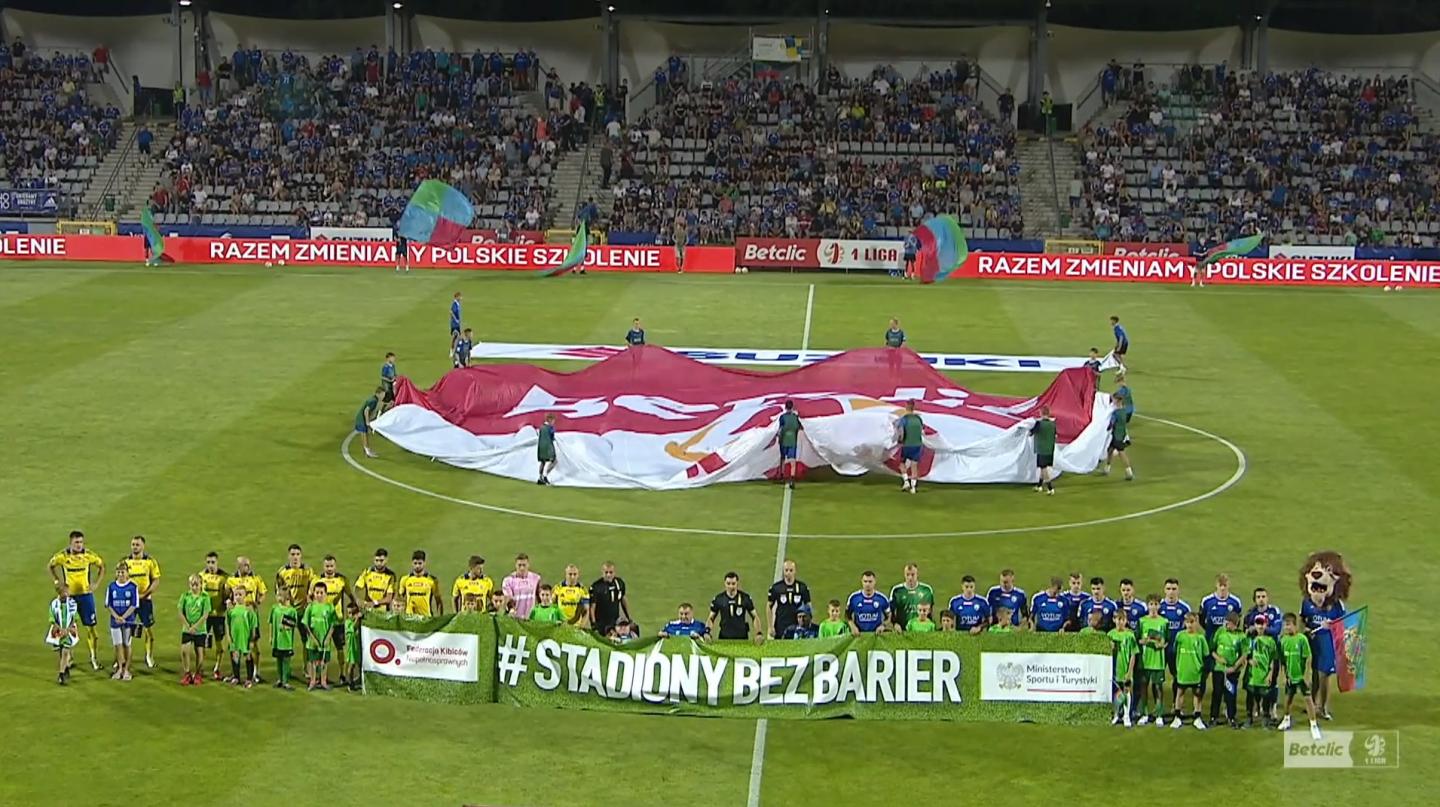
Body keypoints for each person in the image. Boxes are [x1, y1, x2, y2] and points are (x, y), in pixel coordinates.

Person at [49, 530, 105, 671]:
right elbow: (50, 566)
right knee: (68, 627)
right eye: (76, 542)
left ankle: (93, 658)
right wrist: (57, 581)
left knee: (91, 628)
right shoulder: (62, 556)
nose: (79, 545)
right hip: (70, 598)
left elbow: (101, 566)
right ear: (71, 543)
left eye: (81, 542)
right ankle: (69, 658)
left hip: (86, 596)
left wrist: (96, 583)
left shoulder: (89, 555)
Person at [1301, 584, 1345, 722]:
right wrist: (1306, 630)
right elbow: (1302, 620)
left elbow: (1344, 623)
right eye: (1316, 592)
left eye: (1322, 591)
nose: (1320, 595)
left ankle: (1324, 708)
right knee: (1314, 673)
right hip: (1314, 643)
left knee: (1324, 675)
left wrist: (1333, 625)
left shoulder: (1336, 604)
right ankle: (1312, 704)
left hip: (1328, 644)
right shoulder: (1307, 603)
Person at [119, 535, 162, 670]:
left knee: (148, 630)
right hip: (128, 602)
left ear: (143, 546)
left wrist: (145, 594)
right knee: (125, 630)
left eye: (137, 544)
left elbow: (156, 580)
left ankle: (149, 656)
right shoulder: (125, 562)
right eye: (133, 544)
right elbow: (119, 580)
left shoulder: (150, 562)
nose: (135, 547)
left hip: (145, 601)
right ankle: (122, 658)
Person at [1278, 613, 1323, 739]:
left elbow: (1308, 658)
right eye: (1284, 625)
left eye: (1288, 625)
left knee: (1308, 700)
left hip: (1301, 677)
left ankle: (1314, 726)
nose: (1286, 628)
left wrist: (1306, 675)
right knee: (1288, 699)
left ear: (1295, 625)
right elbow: (1282, 660)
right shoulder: (1283, 640)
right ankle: (1286, 719)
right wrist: (1284, 675)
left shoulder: (1302, 639)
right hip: (1290, 676)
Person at [1198, 573, 1242, 698]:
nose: (1222, 588)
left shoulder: (1235, 602)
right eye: (1220, 585)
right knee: (1205, 672)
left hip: (1228, 646)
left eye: (1225, 585)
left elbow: (1237, 621)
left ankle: (1226, 705)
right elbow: (1202, 619)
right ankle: (1199, 704)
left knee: (1226, 675)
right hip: (1210, 644)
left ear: (1229, 585)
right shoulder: (1207, 601)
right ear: (1216, 585)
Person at [226, 557, 268, 683]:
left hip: (250, 615)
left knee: (253, 644)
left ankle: (255, 672)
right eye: (245, 565)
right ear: (238, 566)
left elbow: (263, 593)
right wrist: (230, 603)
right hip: (236, 615)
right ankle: (236, 674)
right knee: (234, 645)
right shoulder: (231, 580)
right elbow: (226, 593)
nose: (248, 567)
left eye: (248, 565)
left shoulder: (256, 579)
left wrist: (257, 603)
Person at [315, 555, 355, 683]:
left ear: (335, 566)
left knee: (339, 648)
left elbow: (350, 595)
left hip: (338, 620)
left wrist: (356, 608)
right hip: (323, 622)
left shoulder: (342, 580)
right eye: (327, 566)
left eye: (331, 566)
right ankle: (321, 676)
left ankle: (342, 674)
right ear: (323, 566)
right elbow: (311, 598)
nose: (329, 568)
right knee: (322, 649)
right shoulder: (318, 580)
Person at [1157, 578, 1190, 711]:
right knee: (1158, 678)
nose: (1171, 592)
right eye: (1169, 589)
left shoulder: (1184, 608)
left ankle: (1175, 705)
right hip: (1160, 650)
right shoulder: (1159, 607)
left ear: (1178, 590)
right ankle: (1159, 706)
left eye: (1174, 589)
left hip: (1176, 650)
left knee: (1177, 677)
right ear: (1164, 590)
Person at [1172, 613, 1210, 729]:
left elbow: (1205, 654)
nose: (1190, 625)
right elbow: (1175, 651)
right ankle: (1177, 717)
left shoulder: (1200, 638)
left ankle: (1197, 717)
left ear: (1197, 623)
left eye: (1192, 622)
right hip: (1183, 670)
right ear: (1184, 623)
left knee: (1197, 695)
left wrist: (1202, 669)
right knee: (1180, 693)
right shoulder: (1180, 636)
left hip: (1196, 671)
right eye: (1188, 622)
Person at [103, 563, 141, 681]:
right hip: (115, 621)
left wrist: (123, 617)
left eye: (123, 572)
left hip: (128, 621)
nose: (120, 574)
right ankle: (119, 668)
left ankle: (127, 670)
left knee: (127, 644)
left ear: (127, 572)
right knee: (118, 646)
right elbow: (108, 604)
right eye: (118, 572)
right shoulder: (112, 587)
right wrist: (117, 617)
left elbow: (134, 605)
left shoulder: (133, 587)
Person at [1209, 611, 1247, 728]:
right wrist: (1218, 659)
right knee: (1217, 693)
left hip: (1232, 671)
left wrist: (1234, 667)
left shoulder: (1241, 636)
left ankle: (1231, 717)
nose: (1227, 625)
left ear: (1235, 624)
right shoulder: (1220, 632)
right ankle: (1213, 717)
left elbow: (1244, 654)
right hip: (1219, 669)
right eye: (1226, 622)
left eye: (1229, 623)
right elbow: (1212, 649)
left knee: (1231, 694)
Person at [1136, 594, 1169, 725]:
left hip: (1158, 661)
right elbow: (1137, 639)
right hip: (1144, 661)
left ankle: (1159, 714)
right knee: (1143, 687)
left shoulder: (1164, 622)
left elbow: (1167, 640)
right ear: (1147, 606)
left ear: (1159, 606)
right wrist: (1144, 641)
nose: (1153, 607)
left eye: (1156, 604)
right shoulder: (1142, 621)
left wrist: (1162, 645)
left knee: (1158, 688)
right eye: (1151, 604)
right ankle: (1144, 714)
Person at [1245, 614, 1280, 728]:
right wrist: (1249, 660)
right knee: (1250, 695)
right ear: (1254, 625)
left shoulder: (1270, 641)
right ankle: (1249, 718)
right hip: (1252, 674)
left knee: (1265, 697)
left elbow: (1274, 659)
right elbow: (1245, 654)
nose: (1260, 626)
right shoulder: (1250, 639)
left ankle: (1265, 718)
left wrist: (1270, 674)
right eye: (1258, 623)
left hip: (1264, 673)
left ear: (1266, 625)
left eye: (1262, 623)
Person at [302, 583, 339, 690]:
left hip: (325, 641)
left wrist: (328, 637)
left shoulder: (329, 607)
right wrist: (313, 638)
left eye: (321, 593)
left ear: (326, 594)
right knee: (313, 662)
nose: (319, 595)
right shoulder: (310, 607)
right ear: (313, 593)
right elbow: (306, 624)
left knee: (324, 662)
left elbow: (333, 624)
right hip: (313, 642)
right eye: (317, 592)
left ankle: (323, 681)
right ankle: (313, 681)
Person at [198, 552, 229, 679]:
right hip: (205, 615)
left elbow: (228, 595)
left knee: (219, 644)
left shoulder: (225, 577)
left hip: (219, 615)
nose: (210, 565)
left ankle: (217, 668)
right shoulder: (201, 576)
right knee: (202, 643)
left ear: (217, 562)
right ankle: (200, 667)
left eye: (213, 562)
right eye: (208, 562)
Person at [707, 572, 760, 642]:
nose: (731, 586)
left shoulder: (745, 598)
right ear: (724, 583)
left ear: (737, 583)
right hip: (724, 637)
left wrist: (758, 633)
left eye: (733, 583)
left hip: (742, 637)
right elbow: (711, 618)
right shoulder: (718, 599)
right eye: (728, 583)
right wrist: (707, 631)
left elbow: (755, 616)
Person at [1108, 608, 1139, 726]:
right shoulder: (1110, 634)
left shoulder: (1130, 635)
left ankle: (1126, 715)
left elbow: (1133, 654)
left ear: (1126, 620)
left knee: (1126, 691)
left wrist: (1130, 671)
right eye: (1117, 619)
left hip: (1125, 669)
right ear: (1114, 620)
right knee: (1116, 693)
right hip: (1114, 670)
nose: (1120, 622)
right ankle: (1116, 714)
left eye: (1122, 619)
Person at [178, 574, 210, 686]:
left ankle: (198, 674)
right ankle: (187, 673)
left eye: (196, 584)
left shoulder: (205, 597)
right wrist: (188, 626)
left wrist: (195, 627)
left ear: (201, 584)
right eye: (192, 584)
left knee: (199, 653)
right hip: (187, 629)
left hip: (200, 630)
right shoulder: (185, 596)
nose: (194, 586)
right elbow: (180, 612)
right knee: (184, 651)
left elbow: (205, 614)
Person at [767, 558, 810, 639]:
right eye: (786, 570)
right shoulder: (776, 588)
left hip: (798, 625)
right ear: (783, 571)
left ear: (795, 571)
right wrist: (770, 626)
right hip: (780, 625)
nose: (788, 573)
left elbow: (808, 606)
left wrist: (807, 624)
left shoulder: (802, 587)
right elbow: (768, 606)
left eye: (791, 570)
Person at [225, 585, 259, 687]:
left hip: (245, 637)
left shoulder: (249, 610)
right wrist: (228, 637)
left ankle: (249, 678)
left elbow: (253, 625)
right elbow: (227, 624)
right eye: (236, 595)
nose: (238, 597)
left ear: (245, 596)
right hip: (234, 638)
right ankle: (236, 677)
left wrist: (252, 639)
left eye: (240, 594)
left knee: (247, 656)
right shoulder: (231, 610)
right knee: (235, 656)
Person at [48, 581, 80, 685]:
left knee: (66, 651)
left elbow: (75, 618)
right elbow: (51, 618)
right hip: (58, 631)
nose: (66, 594)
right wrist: (60, 629)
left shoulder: (72, 603)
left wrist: (68, 629)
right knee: (61, 652)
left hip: (69, 631)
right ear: (59, 593)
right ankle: (65, 669)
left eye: (67, 591)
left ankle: (61, 675)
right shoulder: (54, 604)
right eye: (64, 592)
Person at [588, 562, 631, 637]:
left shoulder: (619, 583)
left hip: (615, 621)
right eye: (606, 572)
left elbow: (623, 599)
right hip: (601, 623)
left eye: (611, 572)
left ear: (614, 572)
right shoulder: (596, 586)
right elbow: (592, 607)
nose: (608, 575)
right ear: (602, 572)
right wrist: (594, 624)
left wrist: (629, 617)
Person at [268, 588, 299, 691]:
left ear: (286, 597)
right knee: (278, 660)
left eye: (279, 595)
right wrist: (271, 636)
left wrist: (287, 627)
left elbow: (293, 624)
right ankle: (280, 679)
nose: (277, 598)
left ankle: (285, 681)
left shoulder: (292, 611)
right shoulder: (274, 608)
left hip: (286, 641)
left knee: (286, 661)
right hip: (277, 640)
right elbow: (271, 623)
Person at [889, 563, 935, 629]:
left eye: (913, 575)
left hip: (922, 630)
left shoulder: (926, 590)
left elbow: (930, 611)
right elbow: (892, 611)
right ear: (904, 575)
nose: (910, 578)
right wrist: (895, 624)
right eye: (907, 575)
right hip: (901, 630)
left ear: (917, 574)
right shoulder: (897, 590)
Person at [275, 544, 313, 621]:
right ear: (288, 556)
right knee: (287, 632)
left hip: (304, 610)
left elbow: (313, 588)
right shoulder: (282, 572)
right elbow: (278, 591)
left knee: (306, 632)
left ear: (301, 556)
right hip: (288, 610)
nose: (295, 557)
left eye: (297, 554)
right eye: (292, 554)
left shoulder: (308, 571)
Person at [1101, 393, 1134, 480]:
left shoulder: (1116, 413)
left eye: (1114, 400)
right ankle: (1107, 468)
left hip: (1116, 435)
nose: (1113, 401)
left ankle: (1129, 471)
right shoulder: (1124, 411)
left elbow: (1111, 424)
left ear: (1118, 401)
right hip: (1121, 434)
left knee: (1121, 453)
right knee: (1110, 450)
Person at [399, 550, 442, 616]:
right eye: (415, 563)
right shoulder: (405, 579)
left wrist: (440, 618)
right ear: (412, 563)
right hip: (410, 618)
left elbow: (438, 601)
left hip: (426, 618)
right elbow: (400, 599)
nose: (417, 566)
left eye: (420, 563)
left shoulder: (432, 580)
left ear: (424, 563)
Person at [895, 400, 924, 493]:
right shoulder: (918, 419)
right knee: (914, 466)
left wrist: (900, 440)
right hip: (918, 445)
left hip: (907, 444)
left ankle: (906, 481)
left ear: (906, 407)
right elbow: (922, 430)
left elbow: (901, 432)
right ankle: (913, 488)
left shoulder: (904, 419)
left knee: (902, 463)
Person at [502, 553, 542, 619]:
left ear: (528, 565)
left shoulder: (536, 578)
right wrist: (511, 609)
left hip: (531, 619)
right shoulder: (508, 580)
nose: (522, 568)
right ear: (515, 565)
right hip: (515, 618)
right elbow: (509, 598)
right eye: (519, 565)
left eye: (524, 565)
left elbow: (540, 596)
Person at [1031, 405, 1058, 495]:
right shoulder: (1052, 424)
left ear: (1041, 413)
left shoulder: (1039, 424)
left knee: (1043, 468)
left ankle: (1050, 488)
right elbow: (1055, 435)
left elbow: (1031, 432)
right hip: (1050, 449)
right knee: (1044, 467)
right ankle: (1039, 486)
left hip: (1042, 449)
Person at [777, 400, 803, 488]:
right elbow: (799, 427)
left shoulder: (782, 417)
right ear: (792, 407)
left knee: (783, 458)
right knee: (792, 461)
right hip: (792, 441)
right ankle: (792, 480)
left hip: (784, 440)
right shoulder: (795, 417)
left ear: (785, 407)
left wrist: (778, 438)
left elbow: (780, 429)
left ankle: (781, 476)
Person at [356, 386, 384, 458]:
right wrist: (367, 422)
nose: (383, 396)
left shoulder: (374, 399)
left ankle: (366, 450)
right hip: (361, 419)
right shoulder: (373, 401)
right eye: (382, 394)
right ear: (378, 394)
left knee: (364, 434)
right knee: (364, 434)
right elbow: (366, 411)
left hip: (360, 418)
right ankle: (368, 451)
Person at [343, 603, 363, 691]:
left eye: (352, 613)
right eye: (349, 613)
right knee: (351, 665)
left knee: (359, 664)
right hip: (351, 648)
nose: (350, 615)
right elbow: (353, 628)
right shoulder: (347, 622)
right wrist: (357, 618)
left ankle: (360, 679)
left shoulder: (360, 622)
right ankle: (350, 683)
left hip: (358, 647)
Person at [536, 413, 558, 485]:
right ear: (550, 420)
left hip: (540, 446)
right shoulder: (550, 428)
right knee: (550, 461)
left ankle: (540, 477)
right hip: (548, 446)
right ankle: (544, 476)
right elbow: (552, 437)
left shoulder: (541, 427)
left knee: (543, 462)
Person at [450, 292, 464, 358]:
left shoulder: (457, 304)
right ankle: (452, 351)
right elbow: (451, 312)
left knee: (457, 337)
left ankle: (455, 351)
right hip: (454, 324)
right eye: (460, 297)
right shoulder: (454, 304)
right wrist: (456, 319)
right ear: (456, 297)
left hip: (457, 324)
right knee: (455, 337)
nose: (461, 298)